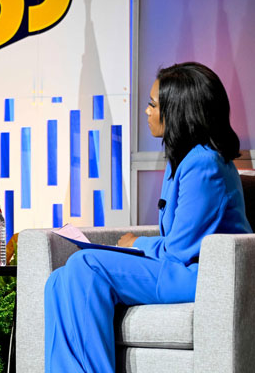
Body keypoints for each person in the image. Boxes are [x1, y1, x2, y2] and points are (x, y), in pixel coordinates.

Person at [44, 62, 252, 372]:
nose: (147, 111)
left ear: (179, 110)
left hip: (201, 276)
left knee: (86, 264)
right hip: (178, 269)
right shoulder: (182, 159)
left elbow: (180, 251)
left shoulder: (205, 165)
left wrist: (136, 243)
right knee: (59, 280)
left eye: (154, 105)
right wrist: (137, 245)